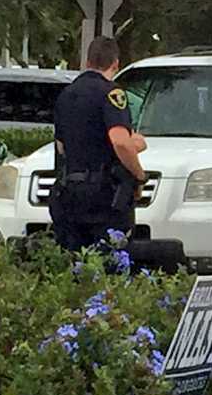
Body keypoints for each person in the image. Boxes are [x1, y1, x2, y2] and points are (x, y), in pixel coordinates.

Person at [50, 36, 148, 252]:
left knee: (76, 261)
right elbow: (120, 142)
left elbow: (61, 146)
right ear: (115, 63)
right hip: (104, 197)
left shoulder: (67, 95)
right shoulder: (112, 93)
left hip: (70, 192)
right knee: (110, 260)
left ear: (88, 63)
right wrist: (139, 176)